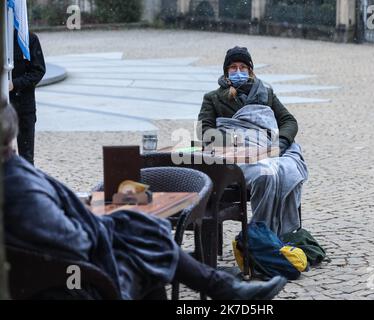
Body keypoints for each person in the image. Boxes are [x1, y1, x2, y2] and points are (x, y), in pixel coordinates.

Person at [1, 103, 287, 300]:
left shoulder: (14, 178)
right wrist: (101, 224)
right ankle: (226, 290)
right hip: (78, 286)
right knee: (148, 253)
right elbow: (76, 242)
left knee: (140, 229)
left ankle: (225, 288)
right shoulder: (18, 187)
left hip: (54, 279)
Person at [197, 46, 308, 236]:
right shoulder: (213, 98)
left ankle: (276, 234)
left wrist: (280, 143)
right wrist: (241, 140)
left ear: (250, 70)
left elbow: (288, 121)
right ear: (226, 71)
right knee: (266, 176)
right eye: (233, 67)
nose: (238, 71)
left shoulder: (265, 93)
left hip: (270, 150)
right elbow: (205, 132)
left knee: (285, 172)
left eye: (242, 67)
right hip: (236, 156)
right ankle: (261, 235)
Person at [9, 30, 46, 165]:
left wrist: (14, 84)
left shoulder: (28, 39)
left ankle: (26, 184)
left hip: (23, 104)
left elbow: (38, 70)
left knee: (26, 158)